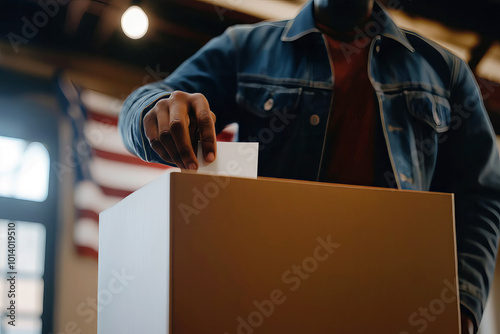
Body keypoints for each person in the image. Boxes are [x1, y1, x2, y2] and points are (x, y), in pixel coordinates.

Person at [119, 0, 500, 332]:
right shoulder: (244, 48)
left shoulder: (444, 71)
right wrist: (154, 112)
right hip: (268, 300)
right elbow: (144, 101)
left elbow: (480, 195)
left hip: (397, 305)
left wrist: (463, 305)